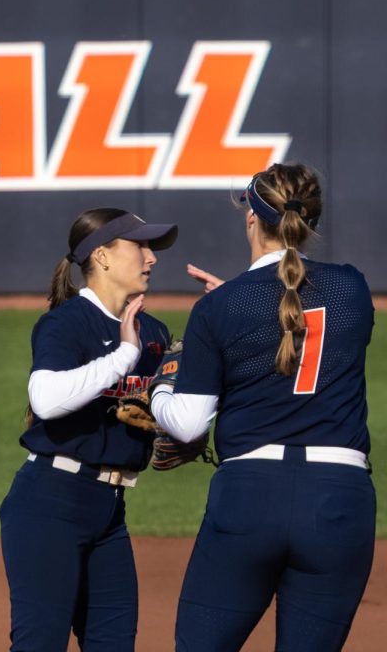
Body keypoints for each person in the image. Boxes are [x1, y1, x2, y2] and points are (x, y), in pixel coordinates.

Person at [152, 163, 375, 651]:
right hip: (340, 503)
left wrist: (158, 391)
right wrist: (240, 308)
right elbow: (303, 318)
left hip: (251, 498)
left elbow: (187, 425)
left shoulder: (221, 308)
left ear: (251, 218)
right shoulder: (354, 290)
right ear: (310, 220)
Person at [0, 207, 178, 651]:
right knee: (40, 643)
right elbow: (45, 398)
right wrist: (123, 356)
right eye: (140, 247)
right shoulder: (65, 323)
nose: (151, 258)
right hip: (50, 505)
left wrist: (177, 432)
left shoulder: (154, 332)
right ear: (101, 256)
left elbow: (168, 415)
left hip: (110, 511)